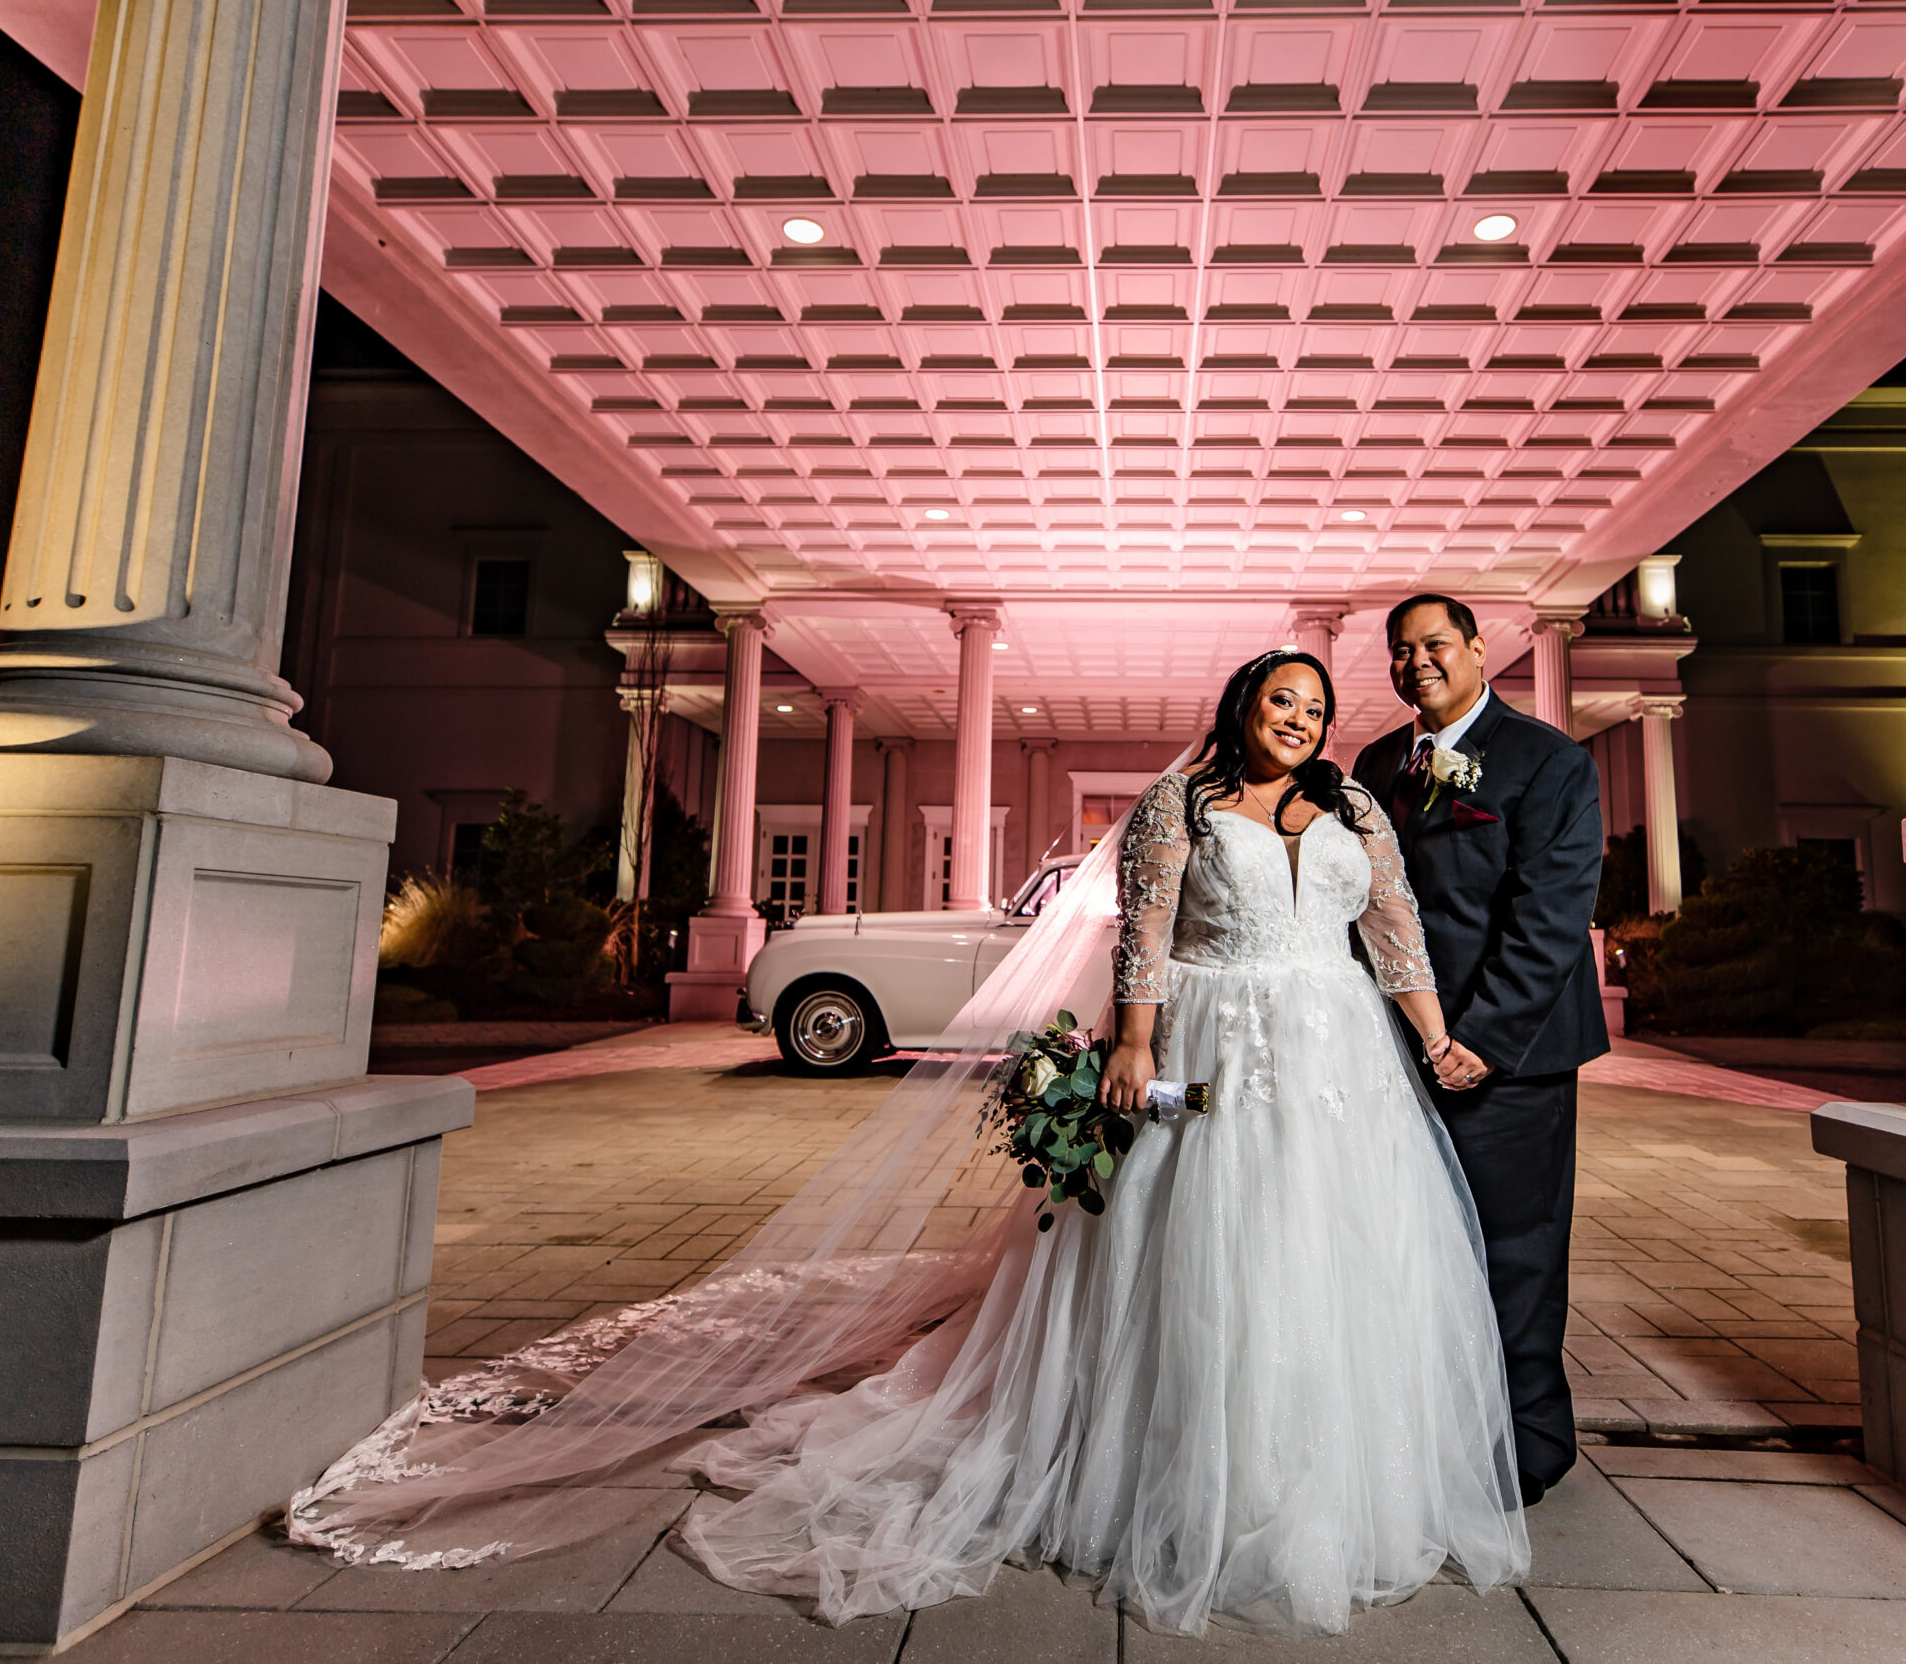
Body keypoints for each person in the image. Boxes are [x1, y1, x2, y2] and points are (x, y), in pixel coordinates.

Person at [669, 649, 1530, 1633]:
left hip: (1340, 1053)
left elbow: (1395, 935)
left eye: (1316, 707)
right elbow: (1146, 936)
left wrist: (1432, 1038)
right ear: (1243, 706)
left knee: (1335, 1243)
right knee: (1203, 1233)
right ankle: (1176, 1459)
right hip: (1205, 1045)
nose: (1299, 718)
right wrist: (1130, 1044)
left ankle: (1318, 1470)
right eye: (1282, 700)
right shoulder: (1179, 807)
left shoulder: (1357, 811)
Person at [1352, 595, 1610, 1506]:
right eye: (1399, 650)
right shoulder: (1378, 763)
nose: (1415, 662)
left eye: (1433, 645)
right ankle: (1433, 1430)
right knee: (1413, 1247)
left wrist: (1484, 1041)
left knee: (1517, 1250)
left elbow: (1550, 917)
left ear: (1474, 650)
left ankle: (1528, 1443)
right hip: (1399, 1054)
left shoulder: (1549, 760)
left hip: (1512, 1053)